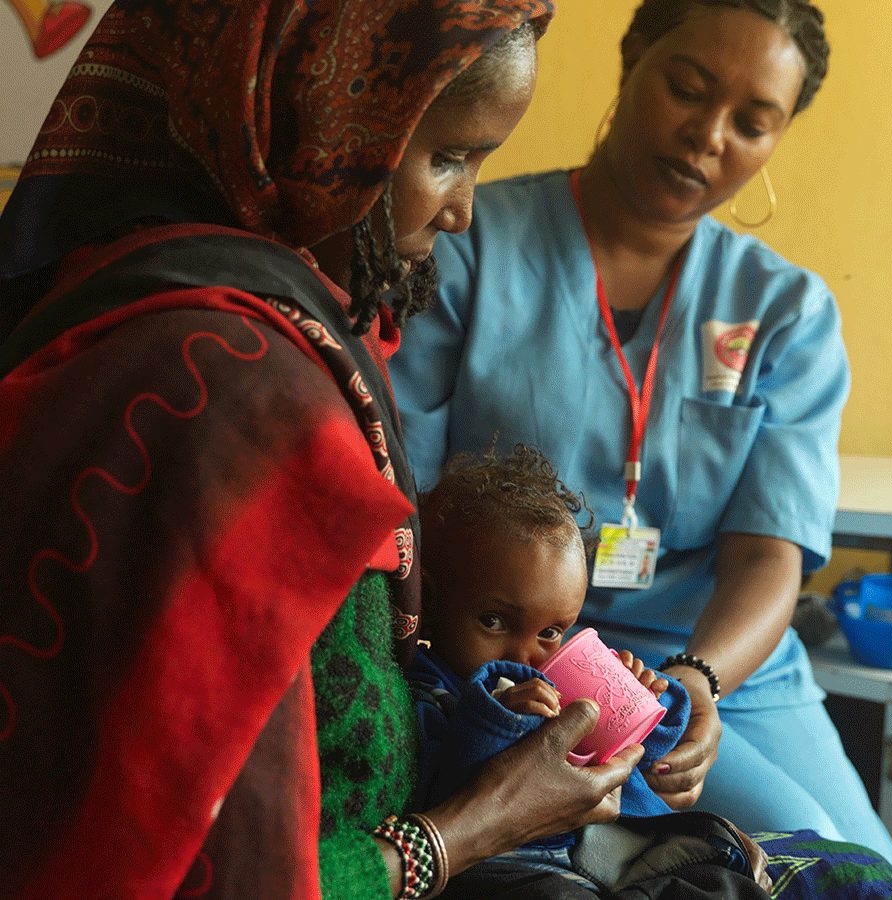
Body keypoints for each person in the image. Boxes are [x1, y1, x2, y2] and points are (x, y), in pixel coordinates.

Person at [0, 2, 656, 898]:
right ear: (319, 128)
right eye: (448, 157)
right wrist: (477, 825)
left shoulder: (264, 318)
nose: (464, 210)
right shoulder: (230, 400)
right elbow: (220, 878)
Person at [390, 0, 892, 880]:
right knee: (773, 858)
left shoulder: (786, 311)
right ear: (633, 59)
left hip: (724, 661)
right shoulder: (466, 241)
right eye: (688, 88)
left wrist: (700, 678)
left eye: (753, 122)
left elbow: (769, 555)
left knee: (862, 868)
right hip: (528, 646)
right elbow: (407, 500)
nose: (709, 136)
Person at [409, 445, 707, 894]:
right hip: (505, 872)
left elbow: (641, 765)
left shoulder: (556, 683)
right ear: (429, 606)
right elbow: (448, 794)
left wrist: (643, 706)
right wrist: (500, 721)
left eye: (550, 631)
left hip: (606, 854)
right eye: (494, 621)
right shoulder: (425, 691)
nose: (526, 655)